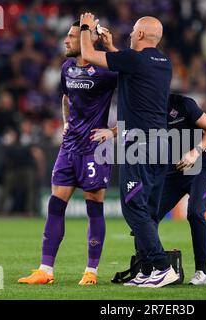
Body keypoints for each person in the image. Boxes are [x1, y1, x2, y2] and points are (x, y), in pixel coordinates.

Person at [80, 12, 179, 287]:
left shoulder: (134, 60)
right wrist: (112, 48)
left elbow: (87, 53)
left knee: (133, 207)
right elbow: (129, 66)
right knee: (146, 209)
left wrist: (87, 27)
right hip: (161, 144)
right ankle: (146, 270)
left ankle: (161, 266)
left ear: (139, 35)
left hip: (140, 144)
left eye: (134, 30)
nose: (131, 34)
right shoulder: (163, 62)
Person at [18, 20, 117, 286]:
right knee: (54, 205)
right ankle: (45, 270)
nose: (66, 40)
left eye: (72, 36)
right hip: (69, 147)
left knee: (93, 208)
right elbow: (66, 98)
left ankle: (91, 271)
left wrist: (115, 132)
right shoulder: (67, 68)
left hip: (96, 149)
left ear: (87, 41)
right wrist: (65, 122)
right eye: (68, 35)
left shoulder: (107, 70)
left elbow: (137, 93)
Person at [92, 93, 206, 285]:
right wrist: (112, 132)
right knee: (147, 215)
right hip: (174, 168)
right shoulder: (148, 107)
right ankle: (146, 271)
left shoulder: (184, 104)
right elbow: (133, 126)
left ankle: (202, 272)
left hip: (199, 166)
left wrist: (194, 152)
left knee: (194, 213)